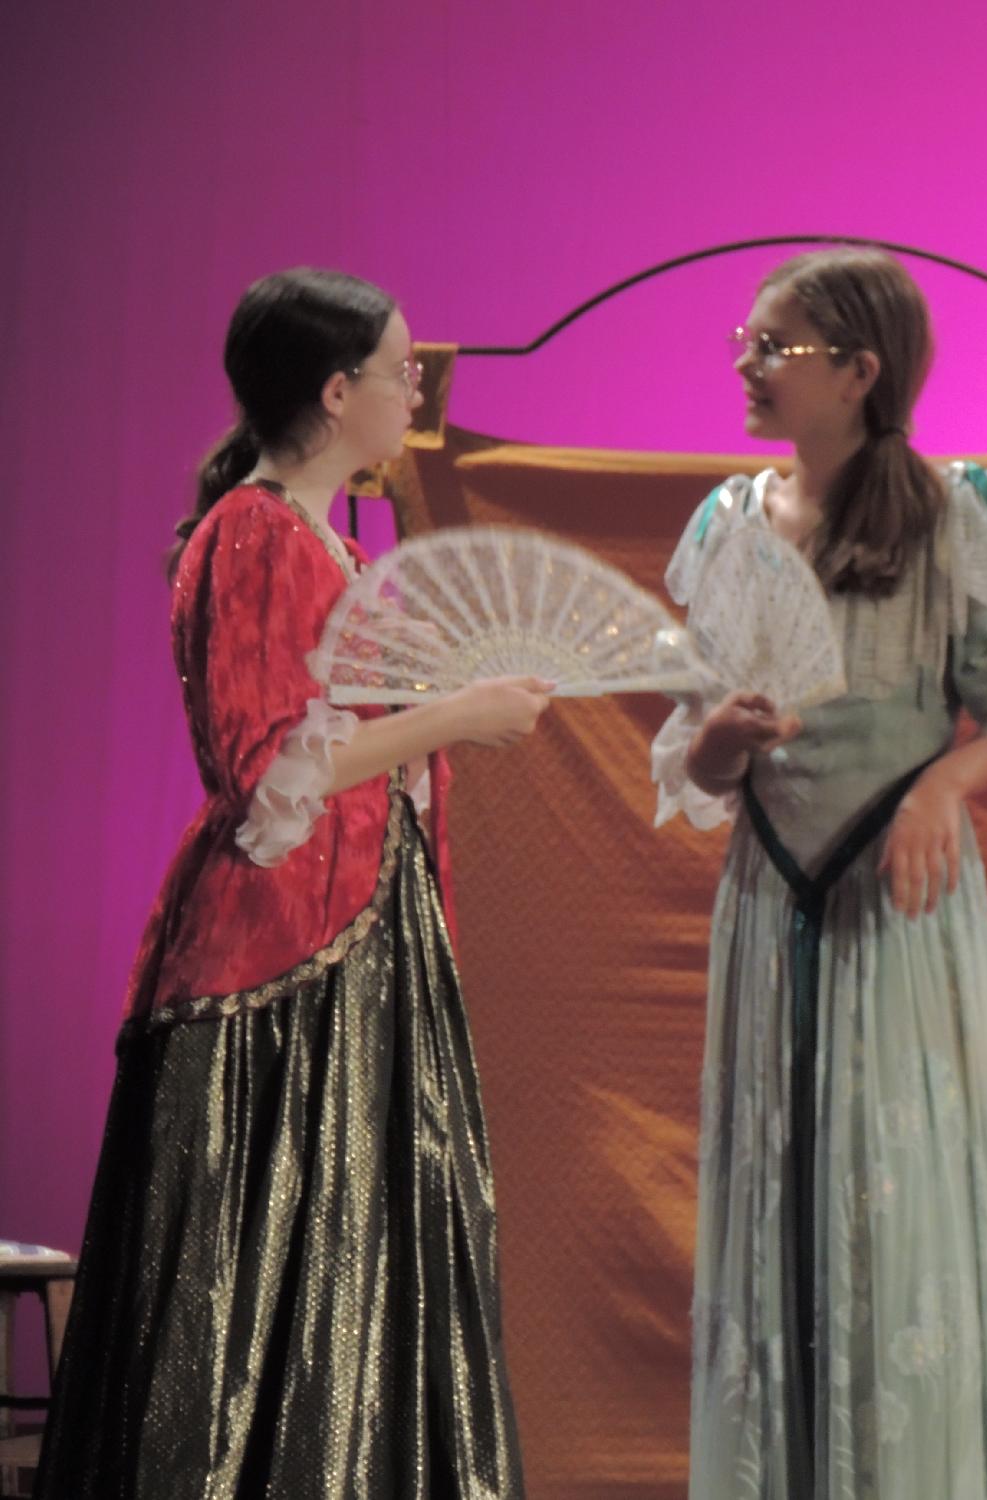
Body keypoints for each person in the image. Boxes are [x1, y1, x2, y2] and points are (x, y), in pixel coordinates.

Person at [36, 267, 548, 1498]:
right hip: (283, 964)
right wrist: (451, 718)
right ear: (333, 392)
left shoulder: (323, 542)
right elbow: (266, 774)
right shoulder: (255, 532)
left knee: (362, 1260)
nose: (414, 392)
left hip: (363, 944)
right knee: (270, 1275)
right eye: (399, 371)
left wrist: (425, 712)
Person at [652, 247, 987, 1499]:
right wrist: (722, 740)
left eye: (774, 346)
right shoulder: (727, 525)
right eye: (743, 342)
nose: (746, 365)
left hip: (892, 905)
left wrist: (941, 788)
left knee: (889, 1208)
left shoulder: (960, 513)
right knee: (774, 1199)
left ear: (858, 370)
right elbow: (693, 754)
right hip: (768, 898)